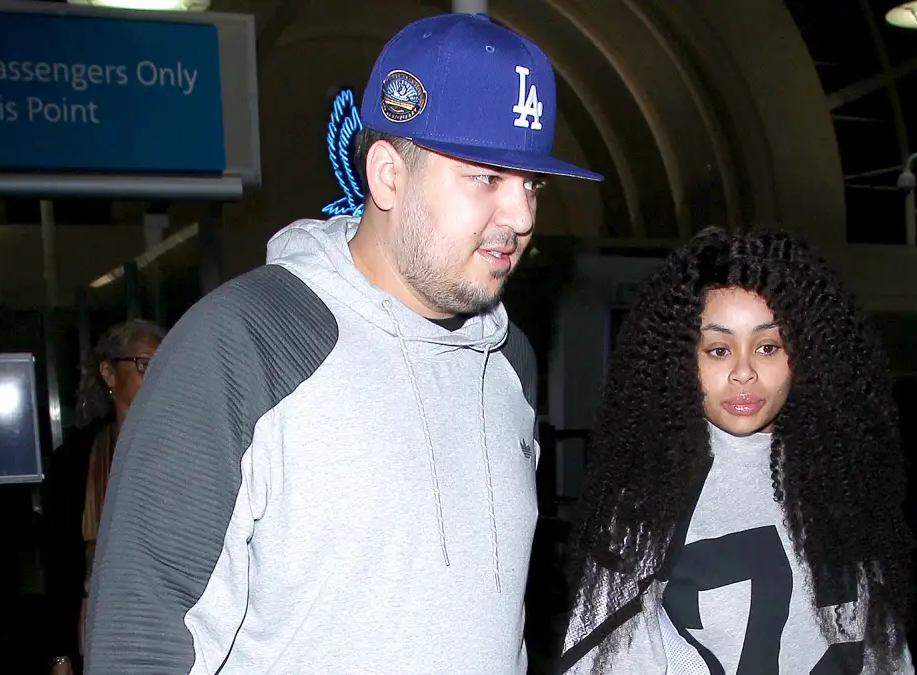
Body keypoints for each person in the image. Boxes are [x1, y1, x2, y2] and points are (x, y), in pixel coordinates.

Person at [82, 12, 603, 675]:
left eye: (531, 183)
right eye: (487, 177)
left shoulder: (509, 362)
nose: (523, 215)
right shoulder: (244, 344)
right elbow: (140, 641)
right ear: (388, 175)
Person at [557, 227, 916, 674]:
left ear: (805, 353)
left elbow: (882, 653)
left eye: (767, 347)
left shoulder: (842, 479)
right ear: (681, 359)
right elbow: (598, 661)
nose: (743, 372)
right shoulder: (651, 500)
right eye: (718, 349)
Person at [41, 319, 165, 675]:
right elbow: (60, 563)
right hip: (101, 631)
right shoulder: (76, 461)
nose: (157, 376)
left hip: (168, 628)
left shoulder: (182, 452)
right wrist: (60, 654)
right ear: (109, 374)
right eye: (144, 364)